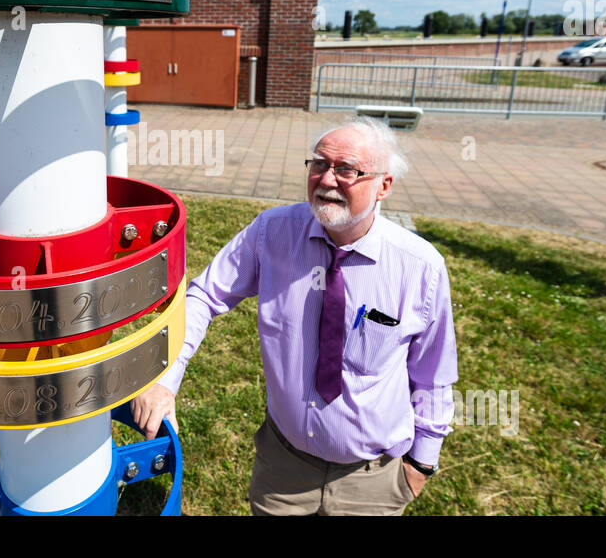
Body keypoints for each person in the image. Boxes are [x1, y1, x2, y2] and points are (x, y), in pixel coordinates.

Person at [132, 116, 458, 515]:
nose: (327, 180)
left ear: (383, 186)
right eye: (319, 164)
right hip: (282, 469)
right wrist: (164, 378)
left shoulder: (420, 266)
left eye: (347, 170)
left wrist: (421, 464)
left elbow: (434, 374)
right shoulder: (272, 233)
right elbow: (204, 296)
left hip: (372, 479)